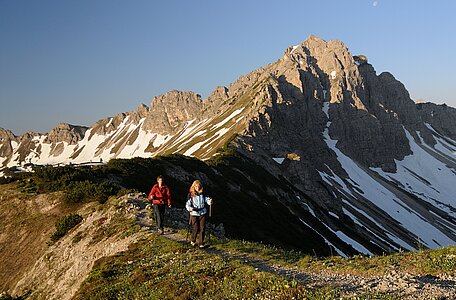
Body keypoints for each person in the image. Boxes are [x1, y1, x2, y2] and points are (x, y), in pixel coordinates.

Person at [185, 180, 212, 248]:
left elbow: (207, 200)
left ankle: (201, 243)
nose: (197, 187)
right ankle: (193, 240)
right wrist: (189, 208)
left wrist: (210, 202)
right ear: (194, 187)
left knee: (202, 228)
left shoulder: (203, 193)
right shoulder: (191, 195)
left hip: (202, 212)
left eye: (198, 186)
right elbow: (187, 204)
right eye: (196, 186)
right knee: (196, 228)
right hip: (194, 213)